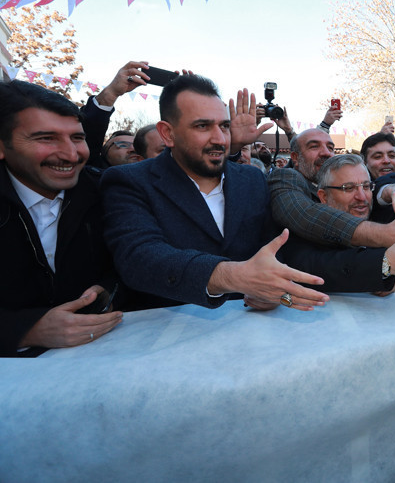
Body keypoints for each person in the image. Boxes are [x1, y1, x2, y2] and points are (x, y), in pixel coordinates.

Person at [102, 74, 328, 311]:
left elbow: (272, 252)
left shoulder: (252, 179)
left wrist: (276, 295)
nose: (220, 139)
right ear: (168, 133)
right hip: (167, 337)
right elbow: (140, 258)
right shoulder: (129, 181)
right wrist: (232, 276)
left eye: (224, 126)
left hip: (255, 331)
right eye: (202, 126)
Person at [0, 80, 123, 357]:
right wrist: (26, 330)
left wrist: (108, 289)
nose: (71, 154)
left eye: (77, 138)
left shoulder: (105, 192)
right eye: (46, 138)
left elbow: (129, 262)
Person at [281, 154, 395, 293]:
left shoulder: (388, 222)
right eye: (348, 188)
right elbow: (320, 268)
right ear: (323, 197)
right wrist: (385, 265)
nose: (362, 197)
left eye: (366, 187)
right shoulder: (305, 231)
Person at [268, 127, 395, 248]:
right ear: (295, 157)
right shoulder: (286, 177)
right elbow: (304, 215)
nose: (326, 153)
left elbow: (380, 187)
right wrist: (384, 235)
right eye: (314, 146)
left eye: (330, 147)